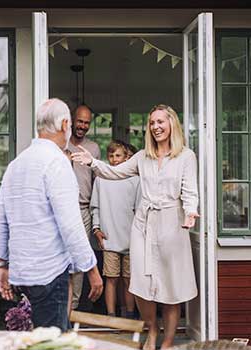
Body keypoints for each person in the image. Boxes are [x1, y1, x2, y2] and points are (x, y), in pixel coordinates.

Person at [72, 104, 199, 350]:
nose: (155, 127)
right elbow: (114, 173)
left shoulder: (186, 156)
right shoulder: (143, 156)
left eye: (160, 122)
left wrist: (190, 211)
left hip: (173, 224)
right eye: (152, 123)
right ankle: (152, 331)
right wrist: (92, 163)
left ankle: (168, 342)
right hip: (143, 224)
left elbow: (190, 191)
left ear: (172, 123)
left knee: (171, 286)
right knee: (140, 284)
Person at [0, 98, 103, 332]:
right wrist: (92, 269)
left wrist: (3, 264)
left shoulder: (17, 163)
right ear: (65, 124)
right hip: (49, 273)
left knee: (36, 338)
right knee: (52, 341)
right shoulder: (57, 162)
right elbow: (70, 224)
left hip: (22, 273)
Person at [90, 140, 140, 319]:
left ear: (127, 157)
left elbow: (140, 209)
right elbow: (95, 207)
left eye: (118, 155)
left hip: (131, 238)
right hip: (109, 237)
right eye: (111, 155)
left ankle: (129, 314)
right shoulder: (101, 180)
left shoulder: (135, 180)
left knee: (129, 279)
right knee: (111, 279)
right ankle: (111, 315)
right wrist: (96, 229)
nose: (114, 159)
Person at [67, 105, 101, 311]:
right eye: (80, 121)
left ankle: (75, 307)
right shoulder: (61, 144)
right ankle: (63, 306)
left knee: (80, 258)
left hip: (83, 209)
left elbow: (98, 181)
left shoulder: (94, 148)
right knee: (62, 256)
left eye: (87, 122)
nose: (83, 126)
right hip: (62, 209)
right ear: (72, 120)